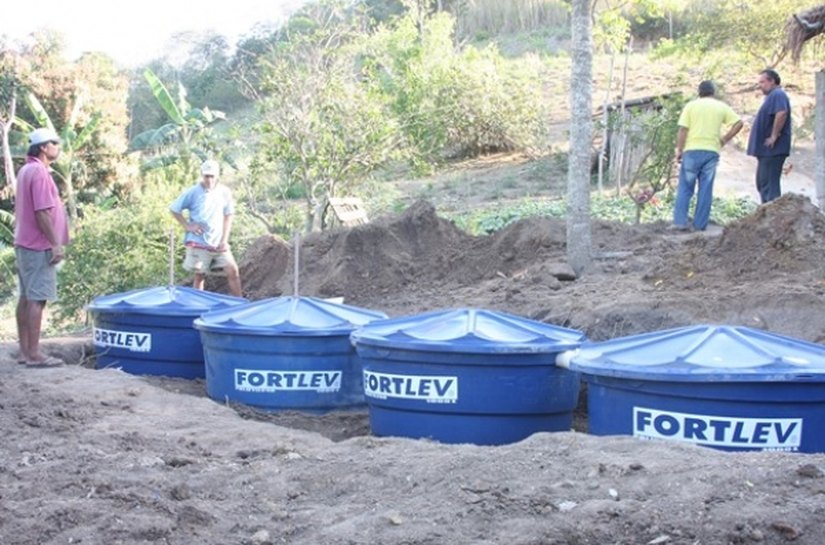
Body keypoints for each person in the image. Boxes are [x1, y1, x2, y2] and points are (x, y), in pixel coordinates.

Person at [14, 128, 69, 367]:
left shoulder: (26, 170)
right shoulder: (38, 172)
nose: (57, 146)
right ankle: (34, 354)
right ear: (44, 148)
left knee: (26, 297)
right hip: (38, 245)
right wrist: (55, 244)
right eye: (54, 143)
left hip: (25, 242)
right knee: (37, 299)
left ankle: (25, 352)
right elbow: (42, 212)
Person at [671, 80, 743, 231]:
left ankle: (679, 222)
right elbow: (738, 123)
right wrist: (724, 139)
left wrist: (679, 149)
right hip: (711, 151)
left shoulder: (691, 106)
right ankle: (700, 225)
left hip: (691, 151)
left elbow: (683, 129)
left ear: (699, 92)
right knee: (705, 189)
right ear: (713, 92)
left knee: (685, 188)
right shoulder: (721, 107)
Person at [170, 160, 242, 297]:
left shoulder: (224, 192)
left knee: (233, 270)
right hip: (199, 241)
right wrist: (187, 226)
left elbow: (228, 215)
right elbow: (174, 208)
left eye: (212, 176)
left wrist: (224, 240)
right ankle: (197, 304)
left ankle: (240, 302)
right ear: (202, 175)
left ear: (217, 176)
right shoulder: (193, 192)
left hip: (218, 242)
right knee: (200, 275)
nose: (209, 180)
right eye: (206, 176)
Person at [747, 69, 792, 204]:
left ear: (772, 81)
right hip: (767, 151)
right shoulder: (772, 96)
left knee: (769, 185)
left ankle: (773, 214)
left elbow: (782, 113)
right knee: (763, 183)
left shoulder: (778, 94)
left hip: (773, 150)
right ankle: (766, 211)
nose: (760, 85)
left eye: (762, 82)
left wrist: (774, 136)